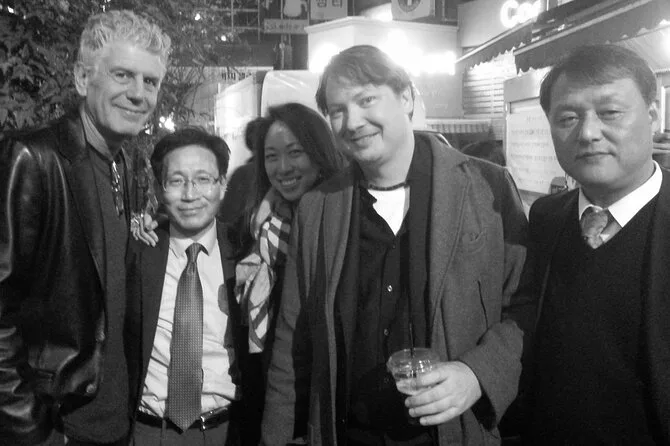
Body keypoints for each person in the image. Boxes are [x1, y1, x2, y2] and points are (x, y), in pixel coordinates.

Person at [261, 45, 530, 445]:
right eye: (337, 110)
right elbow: (293, 338)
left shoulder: (486, 187)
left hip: (451, 431)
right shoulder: (318, 208)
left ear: (405, 98)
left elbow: (525, 304)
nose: (353, 121)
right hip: (348, 433)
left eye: (367, 100)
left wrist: (477, 373)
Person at [0, 10, 170, 446]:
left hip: (116, 425)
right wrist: (29, 429)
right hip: (59, 427)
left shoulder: (123, 162)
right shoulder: (33, 159)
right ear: (82, 78)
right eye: (122, 75)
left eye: (150, 81)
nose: (139, 94)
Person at [524, 44, 670, 444]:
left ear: (653, 116)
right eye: (568, 118)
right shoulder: (545, 218)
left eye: (610, 113)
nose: (587, 133)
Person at [231, 102, 347, 444]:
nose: (282, 168)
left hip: (323, 389)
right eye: (271, 156)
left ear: (319, 152)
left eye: (295, 152)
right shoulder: (258, 220)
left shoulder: (342, 219)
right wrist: (158, 224)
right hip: (268, 381)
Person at [125, 127, 243, 445]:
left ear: (222, 184)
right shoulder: (137, 251)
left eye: (203, 179)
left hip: (227, 431)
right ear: (158, 188)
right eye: (176, 181)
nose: (190, 195)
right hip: (149, 431)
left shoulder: (245, 250)